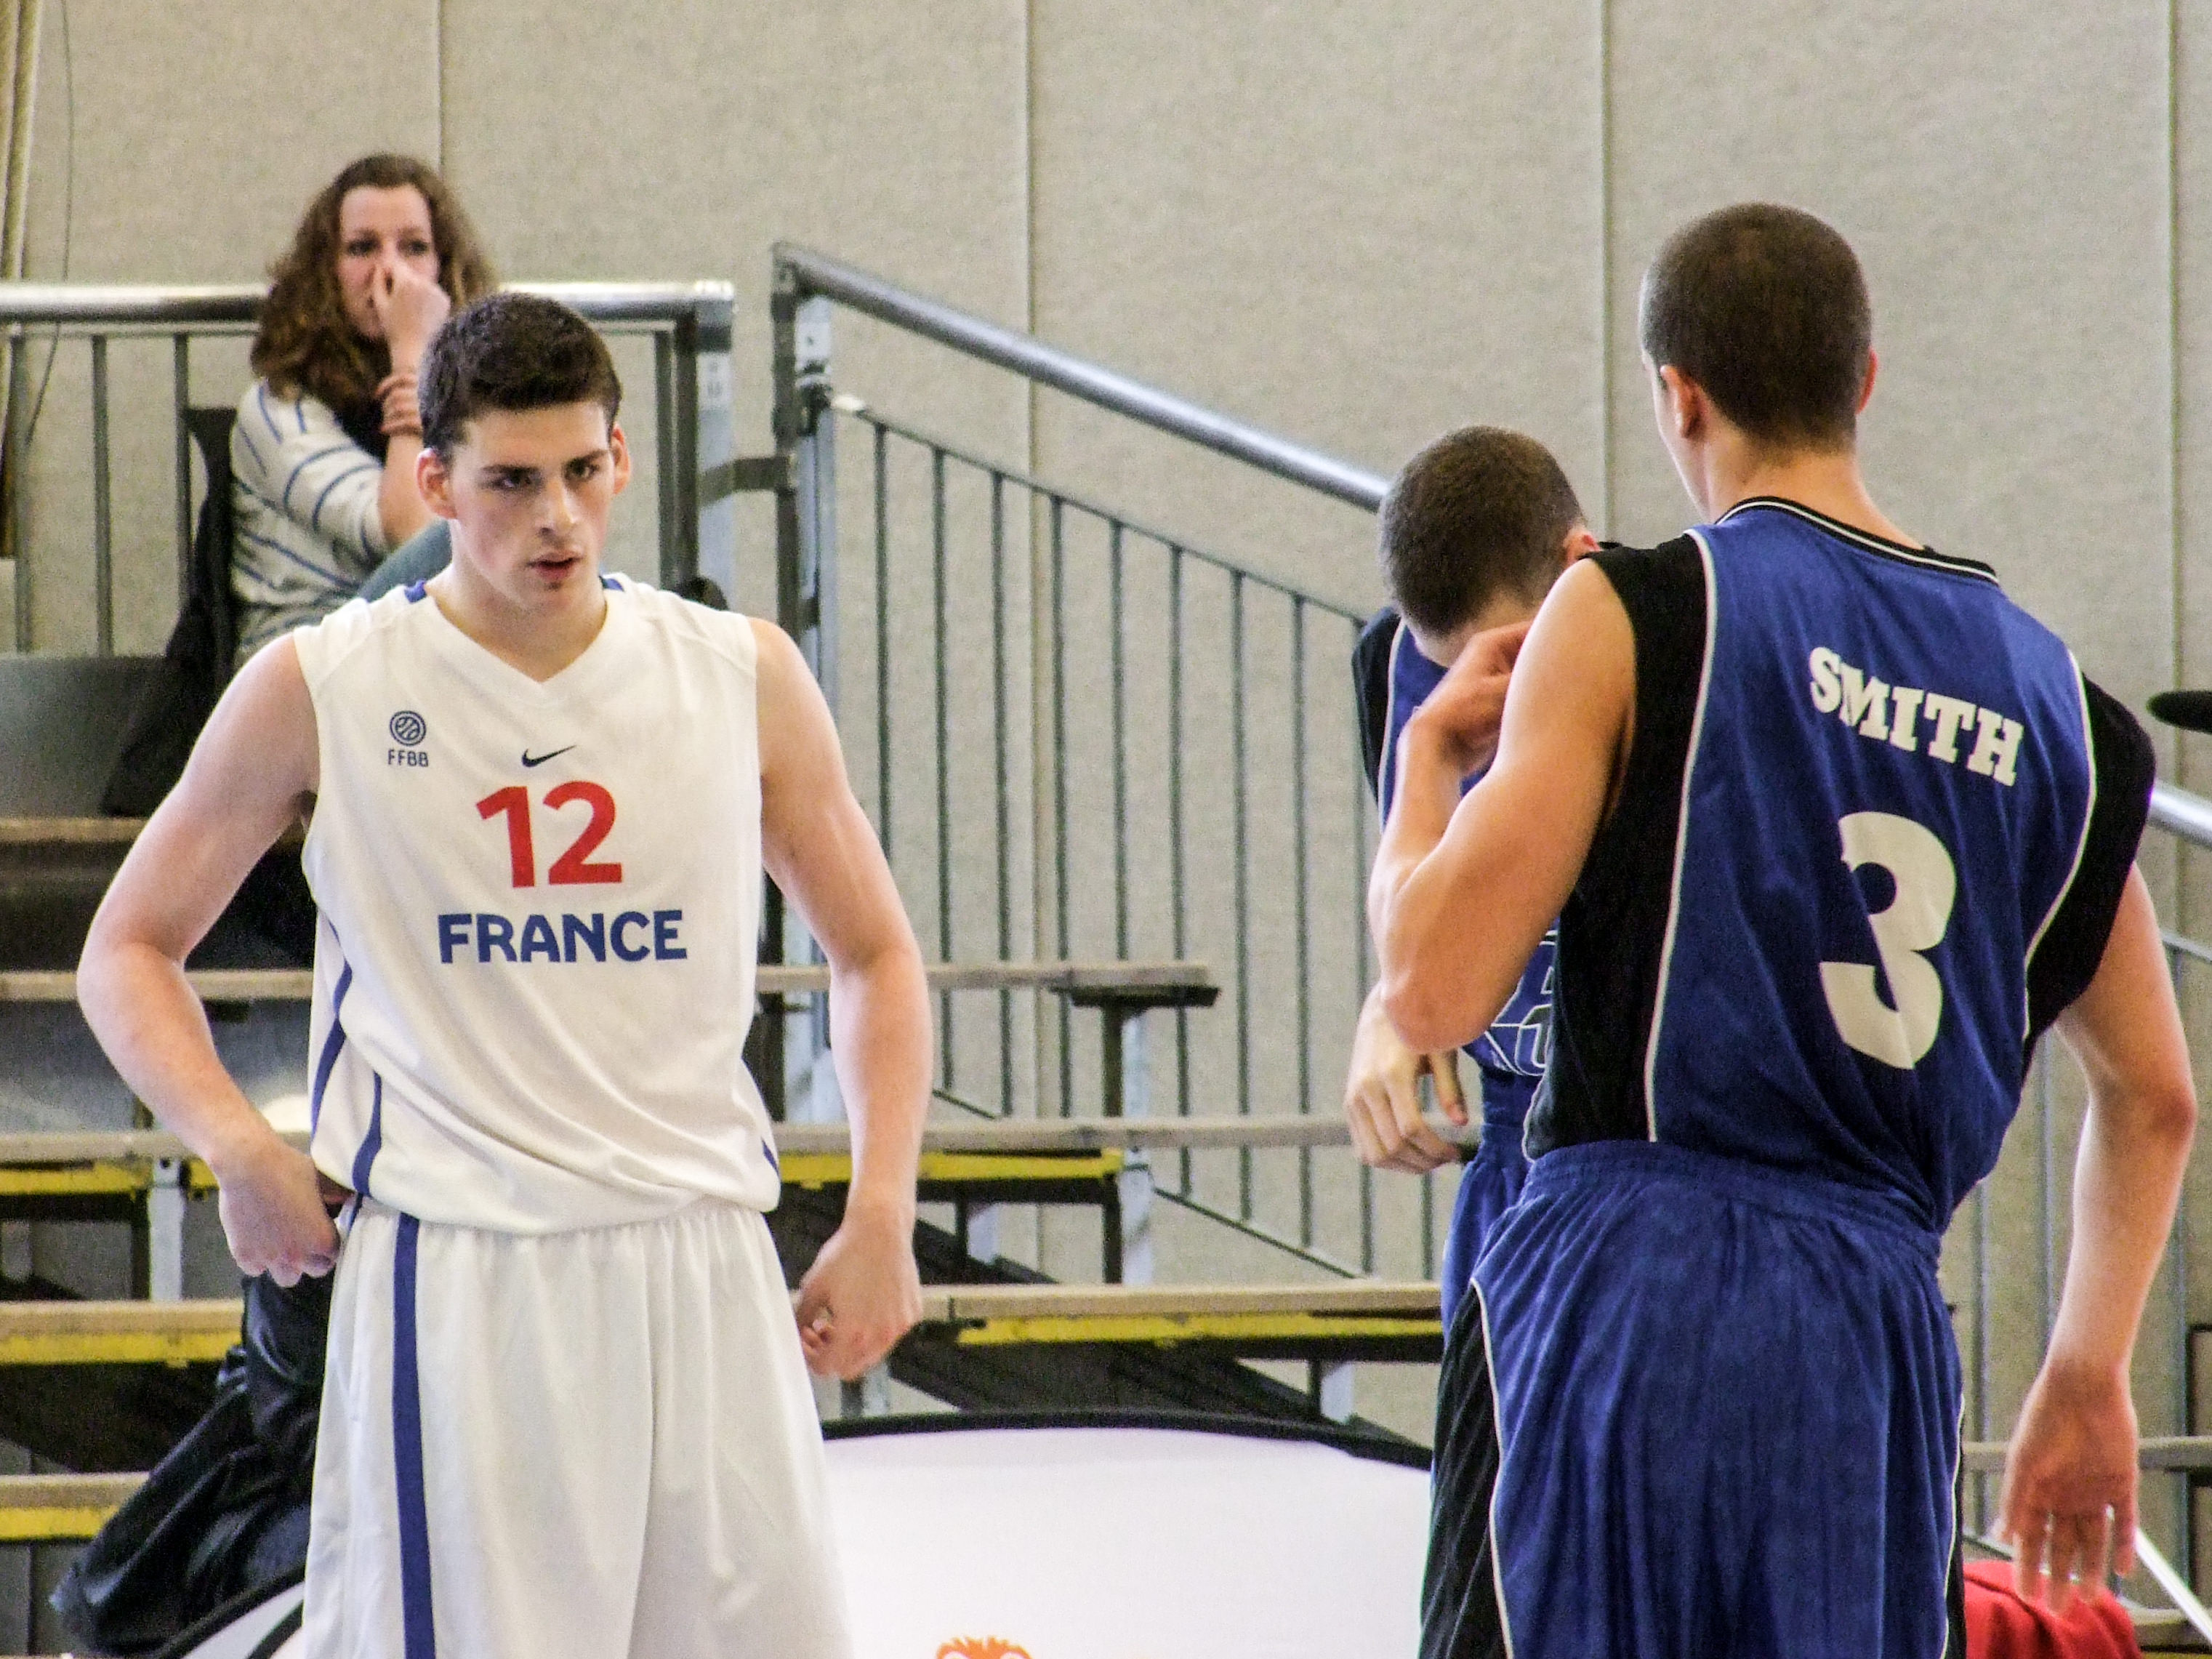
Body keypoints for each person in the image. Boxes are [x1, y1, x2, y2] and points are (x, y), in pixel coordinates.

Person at [1375, 203, 2195, 1658]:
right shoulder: (2059, 707)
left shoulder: (1635, 610)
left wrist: (1428, 760)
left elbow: (1432, 989)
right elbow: (2154, 1095)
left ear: (1677, 395)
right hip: (1868, 1323)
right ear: (1862, 379)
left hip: (1631, 1277)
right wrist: (2084, 1367)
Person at [78, 292, 929, 1656]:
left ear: (622, 457)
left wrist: (882, 1207)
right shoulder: (324, 683)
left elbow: (876, 952)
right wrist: (236, 1145)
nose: (558, 518)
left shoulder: (739, 675)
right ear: (435, 482)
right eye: (513, 482)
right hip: (465, 1275)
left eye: (583, 471)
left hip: (704, 1255)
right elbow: (125, 949)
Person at [1343, 427, 1596, 1332]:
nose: (1489, 698)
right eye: (1457, 672)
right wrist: (1390, 1001)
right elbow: (1431, 894)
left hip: (1632, 1163)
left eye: (1512, 661)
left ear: (1580, 566)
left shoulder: (1675, 649)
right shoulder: (1389, 667)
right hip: (1507, 1151)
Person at [230, 154, 496, 664]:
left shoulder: (474, 396)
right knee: (458, 543)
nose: (390, 270)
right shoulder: (277, 411)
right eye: (362, 248)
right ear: (327, 272)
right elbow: (416, 538)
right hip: (308, 659)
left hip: (423, 650)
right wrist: (412, 355)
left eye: (414, 247)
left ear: (444, 269)